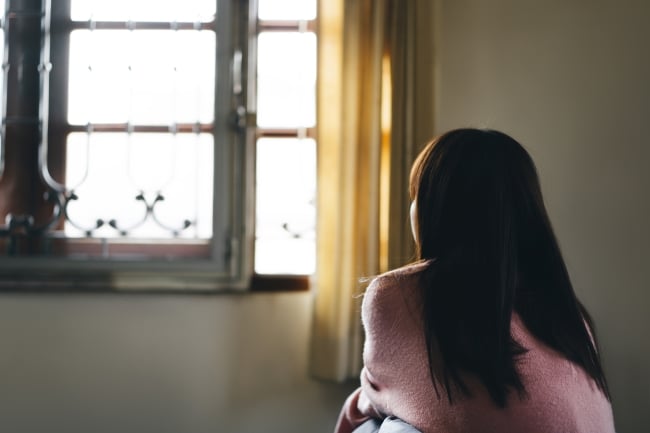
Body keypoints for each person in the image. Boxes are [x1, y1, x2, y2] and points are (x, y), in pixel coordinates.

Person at [334, 128, 615, 433]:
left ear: (435, 208)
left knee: (381, 427)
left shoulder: (400, 295)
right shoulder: (569, 314)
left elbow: (374, 398)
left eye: (417, 195)